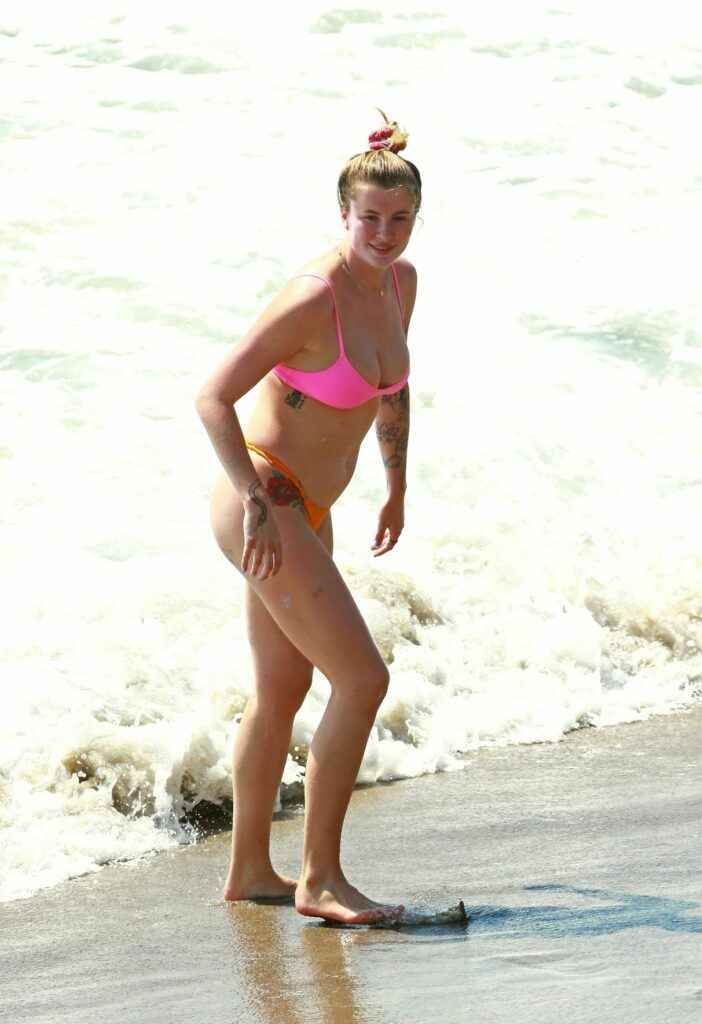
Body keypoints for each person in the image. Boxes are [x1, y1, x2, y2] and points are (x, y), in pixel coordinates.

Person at [195, 113, 420, 926]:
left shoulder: (400, 284)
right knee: (363, 680)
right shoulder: (312, 298)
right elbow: (213, 397)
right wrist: (254, 499)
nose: (384, 234)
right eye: (370, 218)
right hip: (265, 501)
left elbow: (392, 391)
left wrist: (395, 485)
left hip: (309, 509)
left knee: (282, 687)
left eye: (400, 219)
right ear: (343, 214)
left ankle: (251, 870)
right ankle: (320, 880)